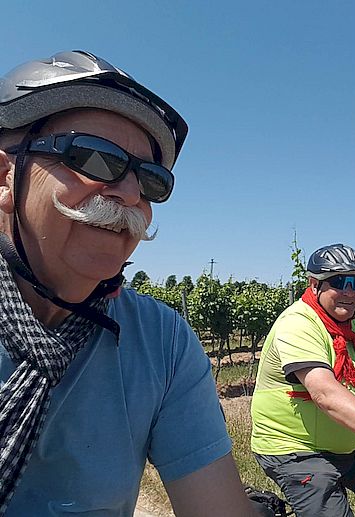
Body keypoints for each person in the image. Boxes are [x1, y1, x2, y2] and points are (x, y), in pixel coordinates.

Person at [0, 51, 253, 515]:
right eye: (94, 158)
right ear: (3, 176)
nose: (131, 195)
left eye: (151, 180)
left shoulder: (162, 342)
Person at [251, 244, 355, 517]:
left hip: (348, 447)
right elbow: (326, 394)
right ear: (314, 284)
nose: (350, 292)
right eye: (340, 282)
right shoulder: (298, 324)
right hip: (295, 450)